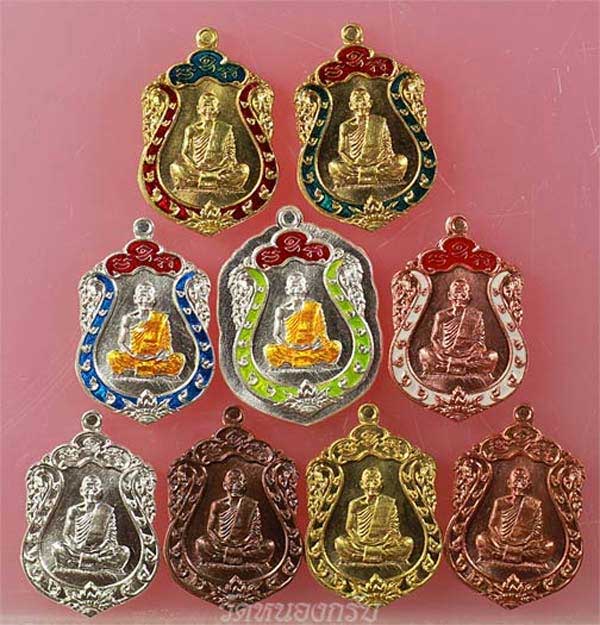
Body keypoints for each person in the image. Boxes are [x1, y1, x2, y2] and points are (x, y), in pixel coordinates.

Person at [418, 278, 498, 389]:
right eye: (456, 293)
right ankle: (463, 367)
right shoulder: (441, 315)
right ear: (449, 295)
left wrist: (473, 352)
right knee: (424, 352)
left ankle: (449, 367)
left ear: (468, 296)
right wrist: (441, 351)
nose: (459, 297)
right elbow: (434, 338)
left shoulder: (476, 315)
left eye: (463, 293)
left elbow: (480, 342)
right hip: (446, 355)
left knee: (492, 356)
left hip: (468, 355)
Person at [195, 469, 275, 573]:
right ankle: (238, 556)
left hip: (244, 546)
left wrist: (249, 543)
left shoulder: (251, 505)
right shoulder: (217, 505)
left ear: (244, 484)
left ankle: (226, 557)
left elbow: (256, 531)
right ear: (224, 485)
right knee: (200, 543)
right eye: (232, 481)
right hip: (222, 546)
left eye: (239, 481)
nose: (235, 485)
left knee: (269, 546)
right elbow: (210, 529)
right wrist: (218, 542)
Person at [51, 476, 129, 582]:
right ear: (81, 491)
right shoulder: (74, 510)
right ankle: (93, 564)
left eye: (95, 488)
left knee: (124, 552)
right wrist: (74, 546)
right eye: (88, 487)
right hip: (76, 551)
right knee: (57, 547)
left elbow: (111, 537)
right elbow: (66, 534)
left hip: (100, 551)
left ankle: (79, 563)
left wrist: (101, 548)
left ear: (100, 491)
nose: (91, 492)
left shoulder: (107, 510)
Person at [328, 87, 407, 190]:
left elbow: (387, 146)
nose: (361, 106)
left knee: (402, 161)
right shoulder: (345, 126)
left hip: (379, 164)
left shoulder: (380, 122)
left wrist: (387, 159)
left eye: (364, 102)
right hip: (355, 166)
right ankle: (372, 176)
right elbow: (341, 151)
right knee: (333, 166)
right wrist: (351, 163)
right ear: (351, 106)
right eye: (357, 103)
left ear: (370, 103)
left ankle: (361, 177)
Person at [169, 92, 249, 192]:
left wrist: (227, 164)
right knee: (175, 167)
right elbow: (184, 153)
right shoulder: (191, 129)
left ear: (217, 109)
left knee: (244, 170)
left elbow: (230, 153)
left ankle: (205, 180)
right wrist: (193, 166)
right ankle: (209, 180)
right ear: (198, 109)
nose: (208, 111)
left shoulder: (225, 128)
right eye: (205, 107)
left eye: (212, 108)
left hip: (220, 170)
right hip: (197, 170)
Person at [475, 466, 554, 567]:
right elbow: (492, 525)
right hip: (501, 544)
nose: (519, 485)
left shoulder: (534, 504)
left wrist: (527, 540)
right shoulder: (500, 502)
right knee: (481, 539)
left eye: (523, 481)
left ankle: (501, 555)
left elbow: (537, 529)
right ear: (509, 483)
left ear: (529, 484)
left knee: (548, 546)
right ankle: (515, 555)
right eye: (516, 481)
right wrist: (499, 539)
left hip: (526, 545)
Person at [334, 467, 413, 566]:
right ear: (362, 484)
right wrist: (357, 540)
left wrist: (388, 538)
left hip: (383, 543)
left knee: (407, 543)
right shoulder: (355, 504)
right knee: (340, 542)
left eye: (375, 482)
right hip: (360, 544)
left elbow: (394, 528)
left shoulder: (389, 503)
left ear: (381, 483)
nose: (371, 486)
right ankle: (380, 555)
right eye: (368, 482)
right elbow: (349, 528)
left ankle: (360, 556)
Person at [263, 272, 341, 369]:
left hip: (312, 349)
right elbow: (276, 335)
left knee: (336, 347)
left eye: (300, 286)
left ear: (306, 288)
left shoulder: (315, 307)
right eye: (293, 286)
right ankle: (301, 362)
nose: (297, 290)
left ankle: (297, 363)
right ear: (287, 290)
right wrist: (288, 346)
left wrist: (316, 344)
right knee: (269, 350)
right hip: (291, 351)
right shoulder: (281, 310)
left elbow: (322, 333)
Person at [107, 282, 185, 378]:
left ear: (153, 300)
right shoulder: (128, 318)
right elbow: (121, 342)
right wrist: (133, 355)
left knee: (178, 359)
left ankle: (138, 370)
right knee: (113, 356)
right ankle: (147, 370)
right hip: (134, 358)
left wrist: (157, 356)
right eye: (141, 297)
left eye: (148, 297)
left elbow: (167, 346)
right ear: (135, 299)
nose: (144, 301)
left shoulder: (161, 318)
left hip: (155, 359)